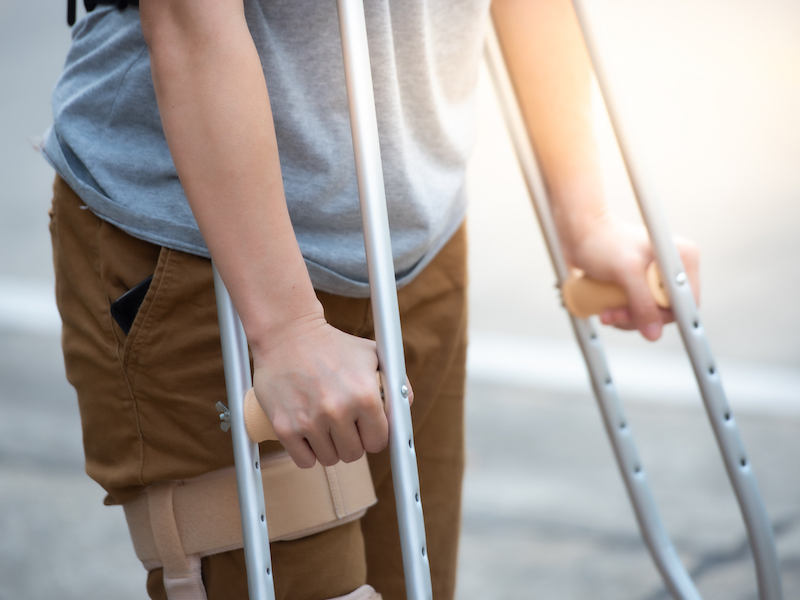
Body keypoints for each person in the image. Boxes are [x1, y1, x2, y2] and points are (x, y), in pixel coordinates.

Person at [44, 1, 699, 599]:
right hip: (206, 252)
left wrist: (584, 213)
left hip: (413, 239)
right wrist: (286, 327)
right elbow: (190, 25)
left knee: (415, 584)